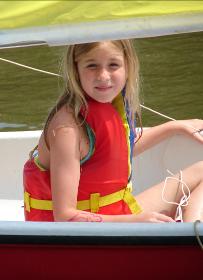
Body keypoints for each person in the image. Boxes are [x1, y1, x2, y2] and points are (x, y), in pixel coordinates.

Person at [23, 39, 203, 223]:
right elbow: (66, 217)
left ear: (128, 67)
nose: (103, 75)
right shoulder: (67, 129)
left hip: (115, 215)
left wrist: (173, 127)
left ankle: (192, 228)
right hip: (85, 238)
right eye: (92, 65)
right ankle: (192, 237)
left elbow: (119, 149)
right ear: (75, 69)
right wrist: (136, 223)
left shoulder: (103, 107)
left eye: (113, 65)